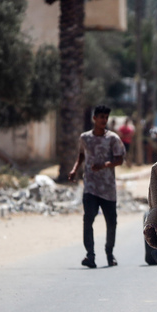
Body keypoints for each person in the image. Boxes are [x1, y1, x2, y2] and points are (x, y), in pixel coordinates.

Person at [69, 105, 126, 268]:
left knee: (111, 222)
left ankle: (109, 253)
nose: (104, 120)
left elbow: (120, 159)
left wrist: (105, 165)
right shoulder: (85, 138)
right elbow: (81, 154)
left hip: (108, 188)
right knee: (88, 219)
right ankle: (90, 255)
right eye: (101, 117)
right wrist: (74, 170)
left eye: (106, 117)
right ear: (94, 118)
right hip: (90, 186)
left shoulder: (113, 138)